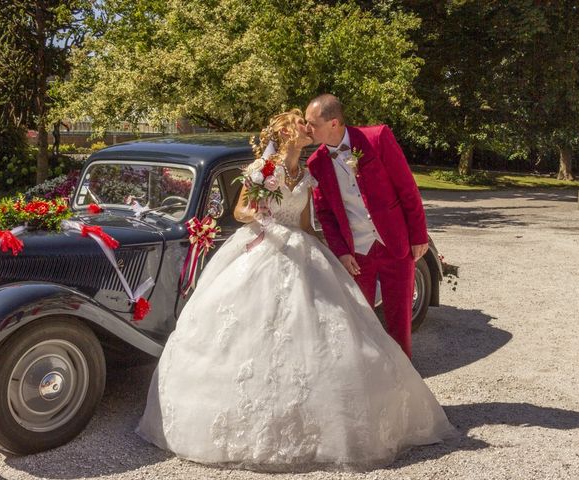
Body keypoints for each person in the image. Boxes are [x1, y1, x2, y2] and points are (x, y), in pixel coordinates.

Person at [137, 109, 456, 472]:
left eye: (309, 122)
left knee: (321, 333)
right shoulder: (262, 168)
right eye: (298, 123)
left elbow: (305, 223)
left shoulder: (306, 173)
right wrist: (261, 215)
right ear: (285, 133)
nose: (306, 127)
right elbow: (240, 210)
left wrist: (329, 255)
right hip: (262, 247)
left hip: (301, 249)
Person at [305, 94, 427, 358]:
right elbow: (324, 213)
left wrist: (418, 236)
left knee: (400, 323)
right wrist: (342, 252)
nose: (307, 129)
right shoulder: (315, 163)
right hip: (357, 254)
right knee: (360, 323)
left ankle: (402, 390)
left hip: (395, 244)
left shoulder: (377, 138)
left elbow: (407, 188)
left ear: (334, 123)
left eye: (312, 123)